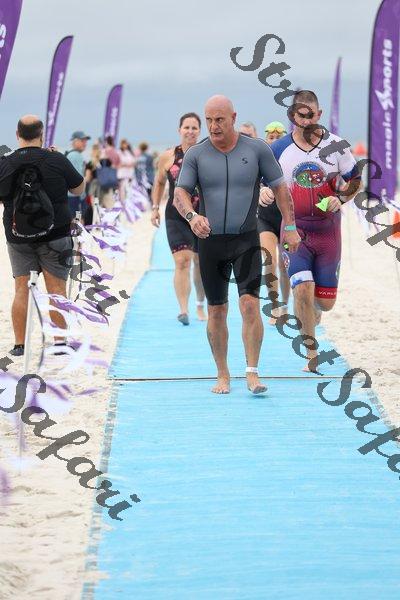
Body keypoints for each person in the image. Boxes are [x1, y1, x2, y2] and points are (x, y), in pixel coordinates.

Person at [174, 95, 300, 394]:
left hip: (246, 239)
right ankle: (222, 374)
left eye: (220, 119)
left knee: (250, 304)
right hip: (210, 242)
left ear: (233, 117)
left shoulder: (257, 149)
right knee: (217, 310)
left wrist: (290, 226)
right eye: (209, 120)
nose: (214, 126)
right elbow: (180, 193)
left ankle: (252, 373)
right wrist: (192, 216)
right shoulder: (197, 154)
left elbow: (280, 188)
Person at [274, 90, 361, 371]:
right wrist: (264, 192)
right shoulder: (279, 149)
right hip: (294, 229)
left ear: (319, 114)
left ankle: (314, 310)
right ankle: (312, 355)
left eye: (311, 114)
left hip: (328, 232)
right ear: (292, 116)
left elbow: (355, 179)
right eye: (300, 115)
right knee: (302, 288)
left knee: (325, 303)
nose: (306, 120)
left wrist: (342, 198)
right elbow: (265, 183)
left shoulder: (336, 146)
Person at [0, 115, 85, 356]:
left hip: (17, 236)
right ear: (42, 134)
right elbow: (79, 189)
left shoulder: (5, 163)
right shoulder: (56, 159)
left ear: (17, 135)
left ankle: (19, 345)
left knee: (21, 289)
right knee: (56, 289)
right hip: (56, 233)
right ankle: (59, 343)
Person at [151, 112, 207, 323]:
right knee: (182, 261)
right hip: (176, 215)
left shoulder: (207, 154)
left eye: (194, 128)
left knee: (200, 263)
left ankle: (200, 304)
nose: (190, 131)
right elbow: (159, 183)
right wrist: (155, 207)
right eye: (186, 127)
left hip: (202, 215)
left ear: (199, 131)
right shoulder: (168, 156)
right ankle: (184, 310)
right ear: (179, 130)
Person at [257, 121, 290, 325]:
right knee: (269, 261)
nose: (275, 140)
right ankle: (275, 305)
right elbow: (250, 183)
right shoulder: (259, 159)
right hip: (266, 218)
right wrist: (261, 189)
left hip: (286, 219)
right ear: (266, 139)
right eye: (271, 137)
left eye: (279, 137)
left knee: (285, 267)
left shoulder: (291, 160)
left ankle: (285, 306)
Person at [66, 130, 90, 220]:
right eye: (82, 140)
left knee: (74, 221)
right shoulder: (75, 155)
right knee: (78, 221)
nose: (85, 143)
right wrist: (88, 174)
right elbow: (78, 180)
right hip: (75, 196)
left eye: (86, 141)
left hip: (70, 195)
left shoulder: (70, 154)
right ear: (75, 141)